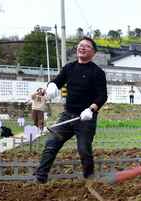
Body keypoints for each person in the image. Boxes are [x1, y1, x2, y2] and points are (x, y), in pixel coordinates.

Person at [34, 37, 107, 184]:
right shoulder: (69, 68)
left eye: (86, 46)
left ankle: (90, 179)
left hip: (85, 118)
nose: (82, 48)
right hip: (67, 116)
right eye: (80, 45)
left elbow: (102, 96)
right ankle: (40, 178)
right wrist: (52, 87)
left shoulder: (97, 72)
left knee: (84, 150)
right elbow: (57, 81)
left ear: (93, 52)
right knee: (51, 144)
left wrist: (91, 109)